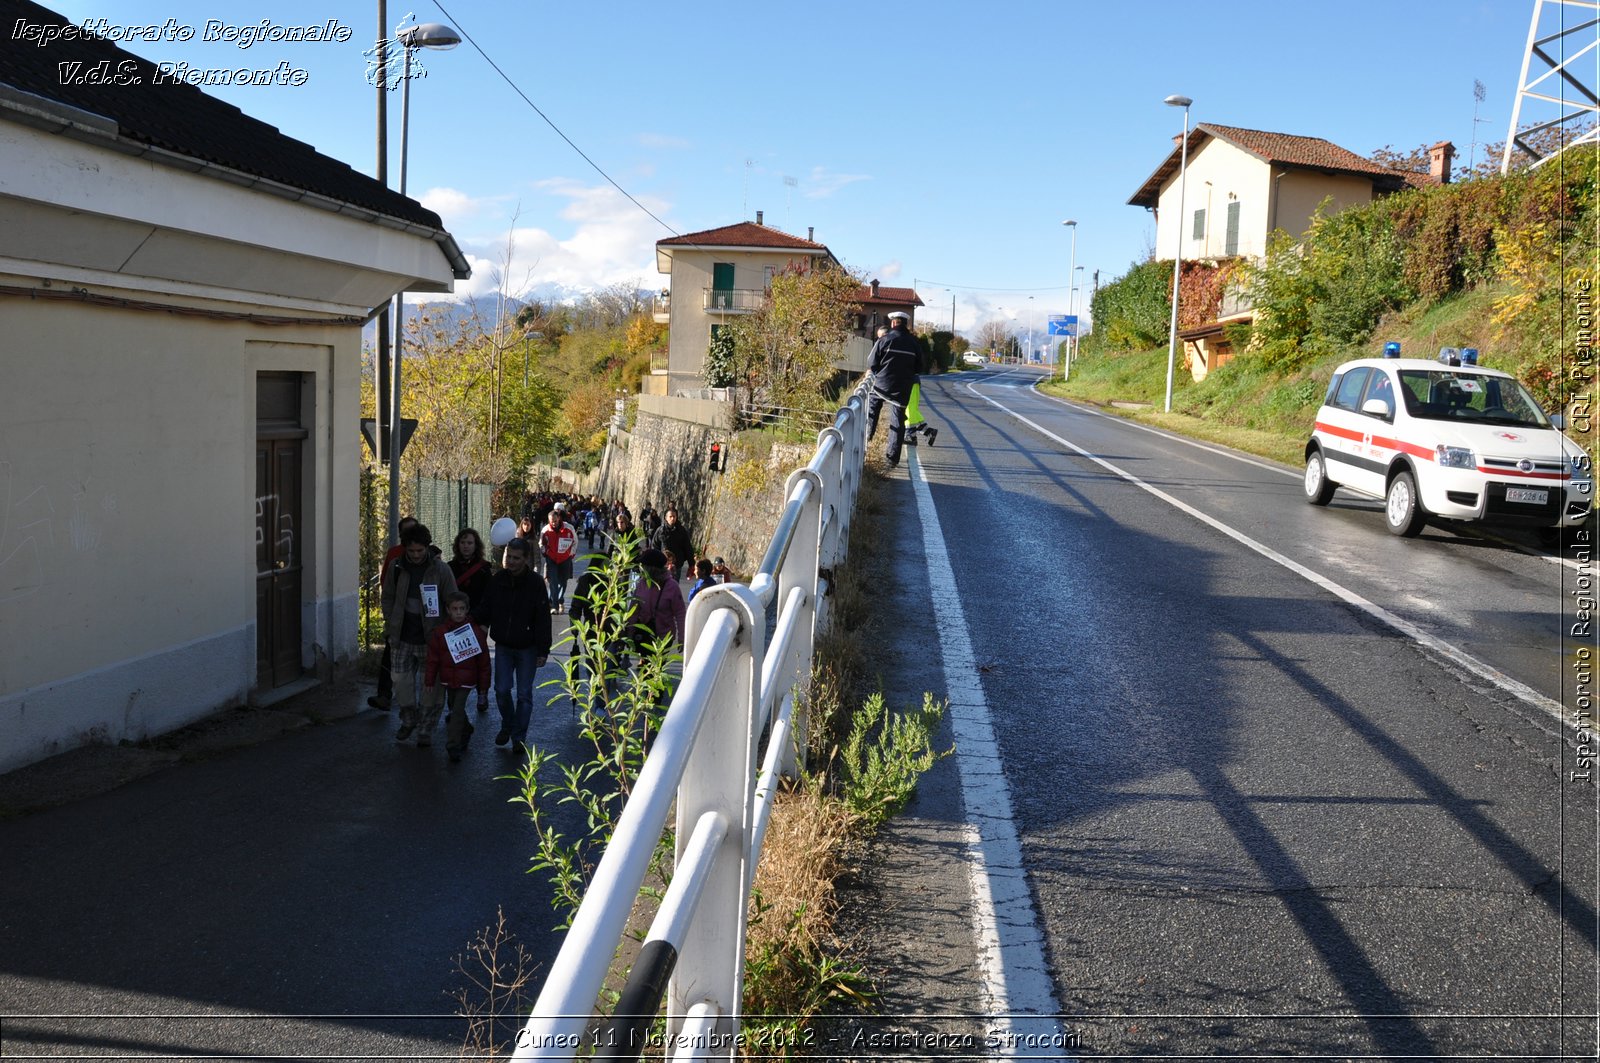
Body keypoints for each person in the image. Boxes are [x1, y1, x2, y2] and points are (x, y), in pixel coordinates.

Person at [381, 523, 458, 745]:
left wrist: (445, 632)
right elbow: (387, 597)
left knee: (431, 688)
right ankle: (408, 720)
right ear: (405, 548)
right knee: (401, 683)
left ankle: (425, 729)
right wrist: (391, 620)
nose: (415, 555)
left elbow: (453, 601)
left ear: (427, 547)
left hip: (431, 639)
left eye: (420, 551)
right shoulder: (397, 567)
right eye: (411, 551)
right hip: (401, 636)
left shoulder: (440, 570)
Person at [472, 537, 552, 751]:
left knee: (524, 694)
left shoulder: (535, 584)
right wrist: (464, 621)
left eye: (517, 558)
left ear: (526, 559)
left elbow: (543, 618)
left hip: (527, 647)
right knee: (501, 689)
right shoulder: (498, 580)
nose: (511, 562)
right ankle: (508, 723)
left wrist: (543, 650)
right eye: (509, 556)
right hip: (504, 646)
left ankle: (518, 737)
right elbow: (485, 607)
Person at [422, 592, 491, 762]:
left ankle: (453, 745)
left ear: (467, 610)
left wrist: (484, 688)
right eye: (455, 609)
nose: (458, 612)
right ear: (448, 610)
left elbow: (484, 662)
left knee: (456, 710)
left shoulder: (475, 633)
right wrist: (429, 680)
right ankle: (466, 729)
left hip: (467, 680)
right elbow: (433, 659)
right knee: (454, 707)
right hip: (447, 678)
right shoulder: (440, 633)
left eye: (462, 609)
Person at [369, 515, 419, 711]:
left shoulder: (429, 554)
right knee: (389, 655)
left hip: (420, 619)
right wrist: (390, 616)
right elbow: (386, 584)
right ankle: (384, 695)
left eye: (413, 531)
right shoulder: (394, 554)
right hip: (399, 616)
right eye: (406, 532)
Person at [866, 310, 921, 468]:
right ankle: (891, 459)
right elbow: (920, 367)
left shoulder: (884, 339)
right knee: (898, 421)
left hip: (882, 386)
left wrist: (880, 373)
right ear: (906, 324)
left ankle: (866, 441)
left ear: (892, 323)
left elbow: (872, 362)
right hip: (902, 388)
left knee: (872, 410)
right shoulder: (914, 343)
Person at [448, 527, 493, 714]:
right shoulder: (449, 568)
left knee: (480, 662)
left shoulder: (483, 570)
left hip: (477, 621)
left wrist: (483, 623)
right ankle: (456, 707)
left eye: (470, 543)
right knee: (456, 663)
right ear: (458, 545)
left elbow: (489, 598)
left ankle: (482, 692)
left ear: (476, 546)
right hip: (455, 621)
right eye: (463, 542)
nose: (466, 546)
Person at [629, 548, 686, 651]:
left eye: (643, 566)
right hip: (644, 634)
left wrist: (682, 638)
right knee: (645, 665)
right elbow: (633, 611)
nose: (640, 568)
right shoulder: (641, 584)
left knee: (656, 665)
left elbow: (680, 613)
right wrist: (629, 634)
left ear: (651, 568)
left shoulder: (672, 587)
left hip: (664, 638)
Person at [540, 506, 579, 613]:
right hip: (552, 559)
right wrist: (545, 552)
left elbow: (575, 542)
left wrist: (571, 554)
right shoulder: (545, 530)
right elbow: (541, 543)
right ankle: (554, 606)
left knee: (563, 582)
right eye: (551, 521)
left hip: (565, 559)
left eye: (555, 521)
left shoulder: (569, 528)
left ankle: (559, 600)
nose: (553, 523)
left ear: (559, 519)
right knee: (553, 581)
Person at [652, 506, 693, 582]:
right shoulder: (660, 531)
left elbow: (688, 547)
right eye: (670, 516)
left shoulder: (681, 531)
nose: (672, 518)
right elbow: (654, 546)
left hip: (677, 565)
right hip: (663, 565)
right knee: (662, 585)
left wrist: (691, 565)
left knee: (674, 586)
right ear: (666, 518)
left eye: (674, 516)